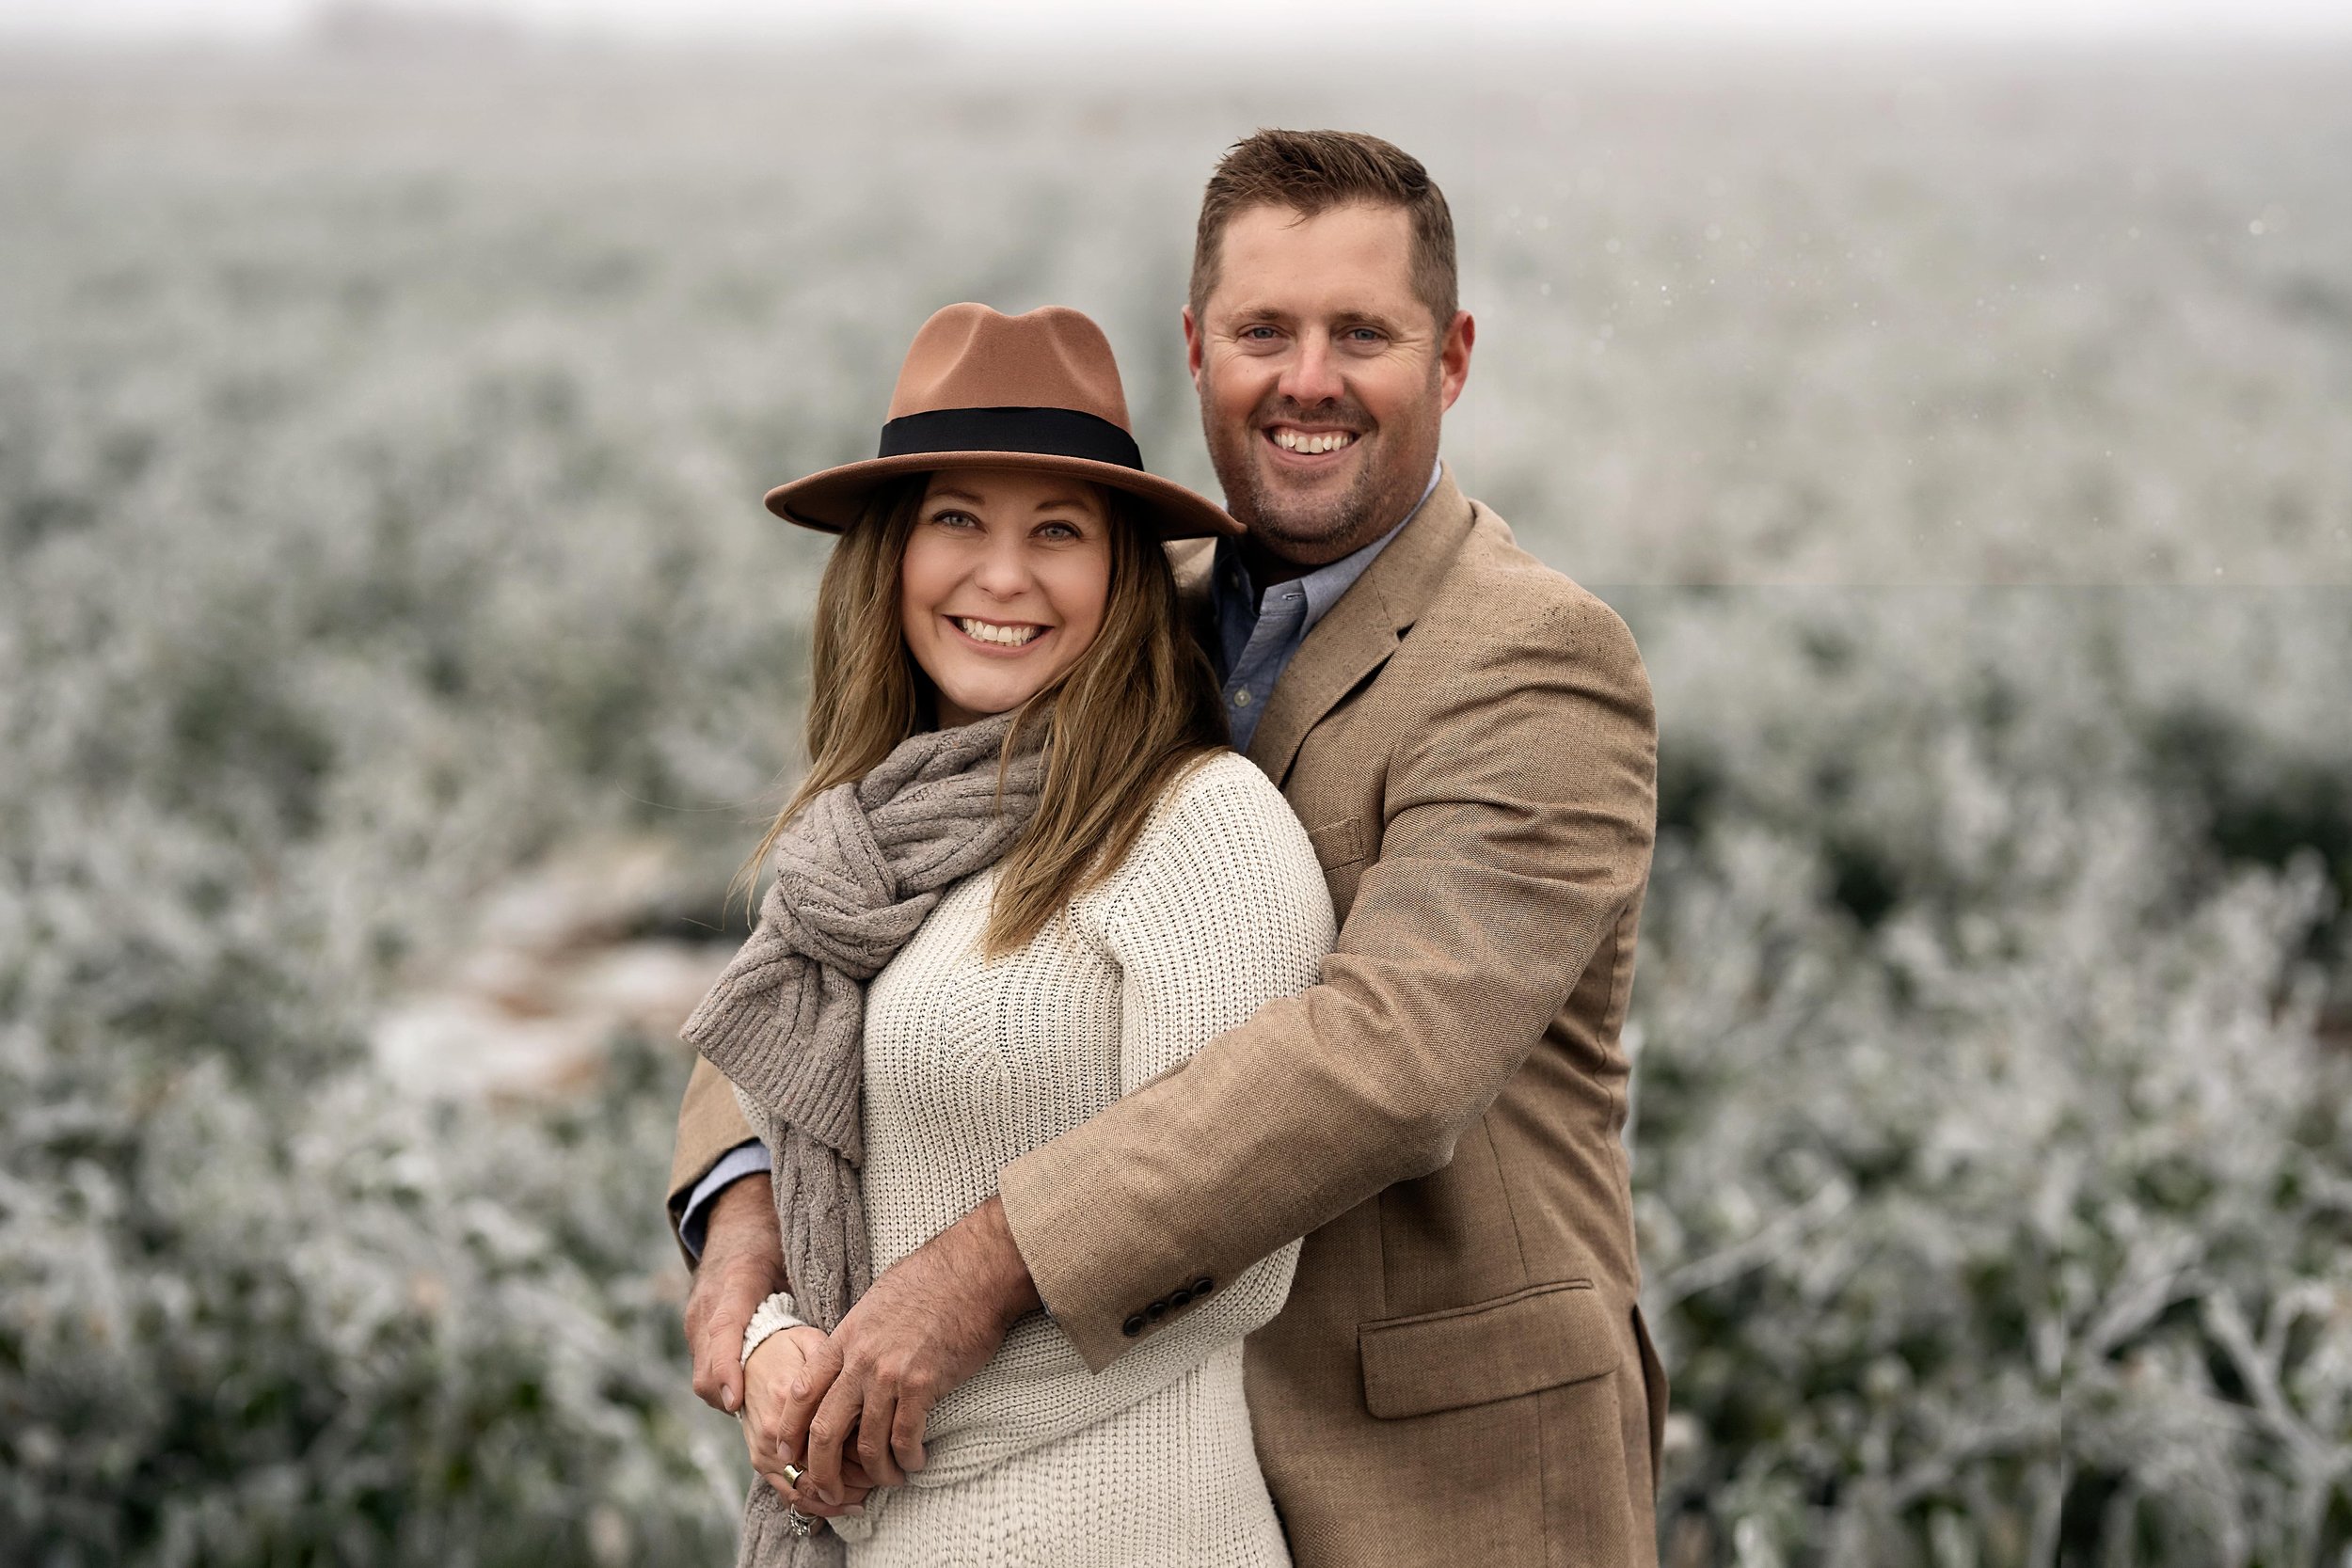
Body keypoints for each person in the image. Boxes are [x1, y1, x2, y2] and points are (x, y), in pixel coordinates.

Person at [675, 130, 1666, 1566]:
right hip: (1123, 1454)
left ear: (1449, 359)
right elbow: (840, 919)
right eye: (1265, 330)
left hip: (1436, 1476)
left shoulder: (1535, 662)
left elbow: (1388, 1060)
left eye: (1361, 334)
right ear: (1198, 350)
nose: (1307, 380)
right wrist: (740, 1230)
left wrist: (975, 1270)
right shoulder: (1114, 609)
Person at [680, 300, 1334, 1565]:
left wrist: (863, 1429)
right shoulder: (867, 845)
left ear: (1122, 573)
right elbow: (792, 1146)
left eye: (1058, 531)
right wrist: (772, 1345)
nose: (1002, 575)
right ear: (891, 557)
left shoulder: (1198, 826)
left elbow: (1240, 1248)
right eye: (956, 520)